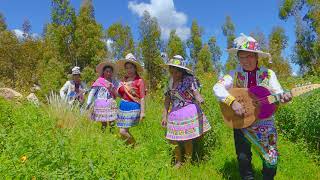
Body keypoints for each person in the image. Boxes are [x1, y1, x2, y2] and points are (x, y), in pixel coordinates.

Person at [213, 34, 292, 180]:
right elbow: (217, 87)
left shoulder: (268, 74)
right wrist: (233, 102)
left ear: (256, 57)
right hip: (241, 120)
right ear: (237, 58)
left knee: (271, 157)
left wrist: (285, 97)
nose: (245, 61)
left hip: (265, 122)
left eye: (249, 56)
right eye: (242, 57)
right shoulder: (233, 74)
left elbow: (279, 93)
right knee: (243, 157)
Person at [162, 55, 211, 168]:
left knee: (188, 139)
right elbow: (167, 100)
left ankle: (188, 163)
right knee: (173, 139)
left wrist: (200, 98)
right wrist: (164, 116)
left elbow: (195, 92)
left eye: (177, 72)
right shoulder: (169, 82)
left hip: (188, 110)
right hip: (175, 113)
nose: (174, 74)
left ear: (182, 71)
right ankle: (179, 161)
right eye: (172, 71)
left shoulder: (189, 79)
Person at [116, 53, 146, 145]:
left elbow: (142, 97)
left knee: (123, 131)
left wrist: (143, 112)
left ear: (135, 68)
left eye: (131, 67)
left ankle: (136, 145)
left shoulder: (139, 81)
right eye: (127, 68)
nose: (129, 70)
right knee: (122, 132)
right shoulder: (123, 81)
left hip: (133, 107)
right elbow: (120, 95)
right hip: (123, 107)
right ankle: (130, 149)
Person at [85, 61, 118, 132]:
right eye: (107, 71)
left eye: (110, 71)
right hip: (101, 104)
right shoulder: (99, 81)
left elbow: (117, 93)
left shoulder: (114, 82)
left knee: (112, 122)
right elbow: (92, 92)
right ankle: (103, 136)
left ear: (112, 73)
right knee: (104, 123)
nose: (108, 73)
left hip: (111, 103)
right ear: (103, 72)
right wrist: (88, 102)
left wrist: (112, 89)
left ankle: (112, 136)